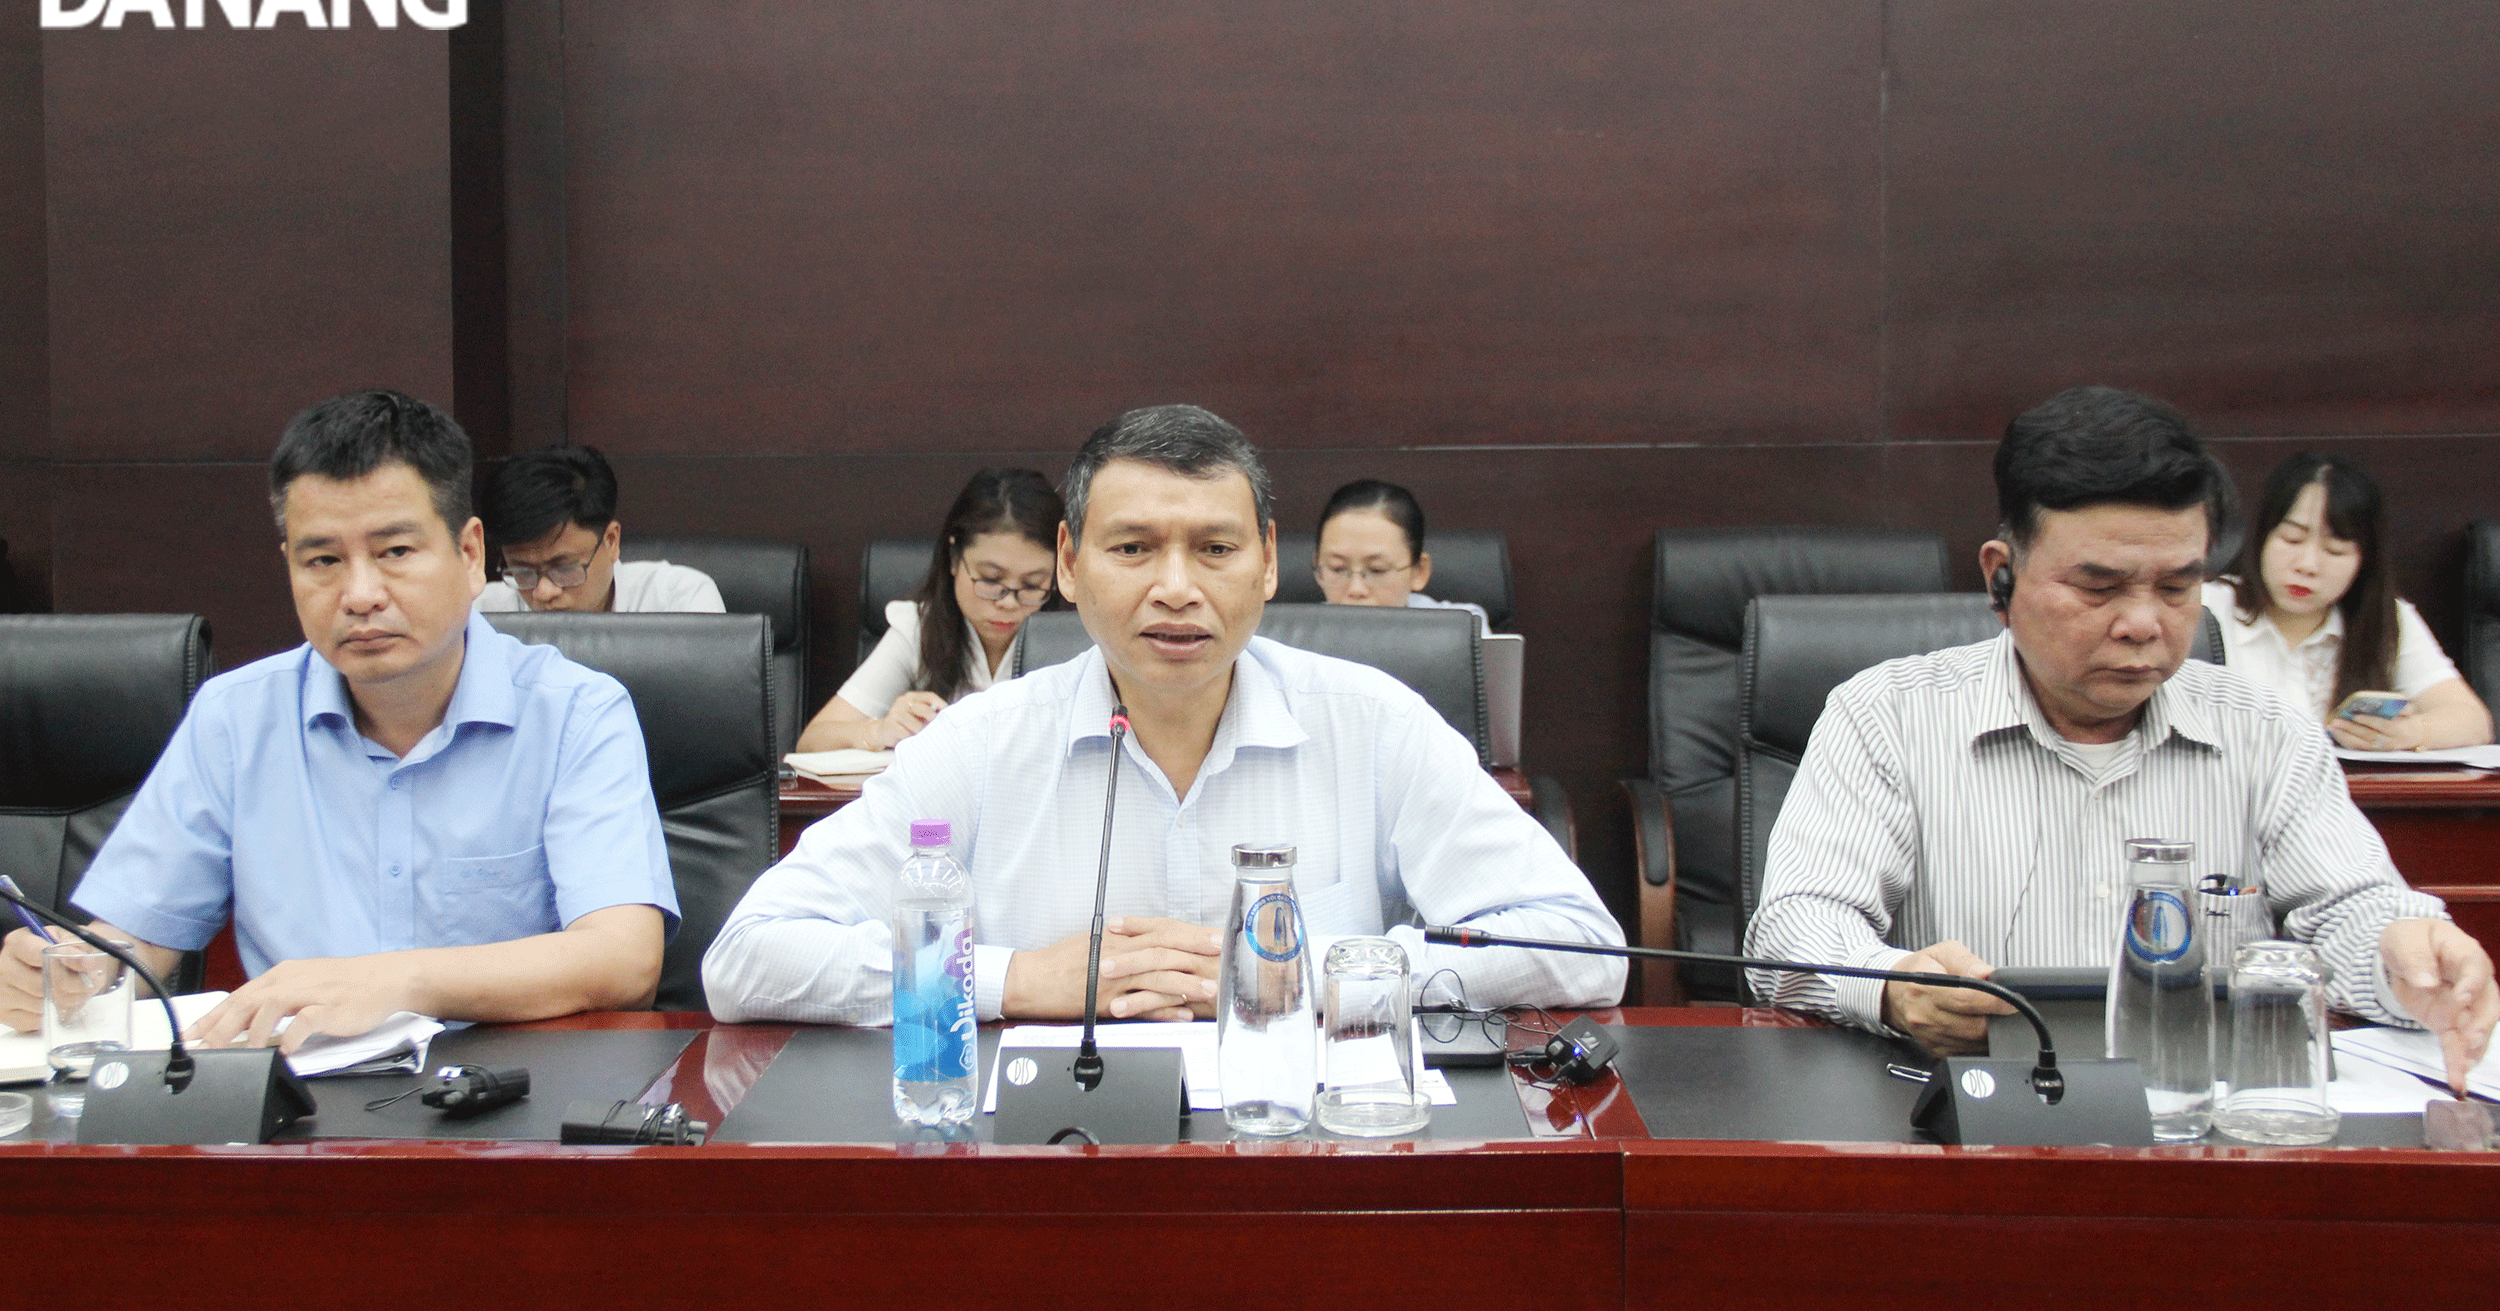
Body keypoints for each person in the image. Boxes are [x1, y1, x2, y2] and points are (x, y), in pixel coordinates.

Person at [705, 405, 1620, 1024]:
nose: (1175, 589)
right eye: (1133, 547)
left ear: (1266, 562)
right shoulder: (981, 743)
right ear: (1069, 563)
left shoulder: (1373, 724)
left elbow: (1585, 949)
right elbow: (746, 957)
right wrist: (1011, 978)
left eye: (1214, 548)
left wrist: (1330, 974)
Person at [1745, 387, 2496, 1094]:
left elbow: (2354, 909)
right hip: (1973, 1126)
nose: (2144, 622)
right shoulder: (1888, 715)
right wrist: (1894, 983)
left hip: (2212, 1133)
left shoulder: (2265, 731)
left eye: (2176, 587)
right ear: (2002, 578)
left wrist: (2408, 955)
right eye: (2100, 587)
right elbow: (1796, 926)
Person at [0, 391, 679, 1050]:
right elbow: (136, 938)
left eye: (395, 552)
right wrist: (75, 972)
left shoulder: (576, 712)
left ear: (470, 555)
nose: (359, 594)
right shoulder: (236, 718)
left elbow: (623, 959)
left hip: (507, 1108)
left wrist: (397, 981)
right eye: (323, 560)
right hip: (297, 1113)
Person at [2204, 451, 2493, 752]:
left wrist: (2412, 733)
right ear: (2260, 537)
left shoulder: (2386, 619)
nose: (2307, 565)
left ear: (2363, 561)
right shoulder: (2206, 608)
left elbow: (2473, 721)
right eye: (2291, 539)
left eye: (2335, 550)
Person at [794, 468, 1065, 753]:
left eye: (1033, 585)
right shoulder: (919, 629)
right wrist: (878, 730)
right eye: (990, 579)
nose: (1008, 602)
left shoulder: (1078, 640)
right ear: (954, 559)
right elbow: (813, 742)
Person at [475, 444, 725, 615]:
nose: (543, 592)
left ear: (611, 541)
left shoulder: (679, 603)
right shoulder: (477, 615)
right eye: (522, 571)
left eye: (563, 568)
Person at [1311, 479, 1491, 635]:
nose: (1356, 590)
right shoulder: (1299, 637)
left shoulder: (1462, 629)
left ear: (1419, 571)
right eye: (1337, 568)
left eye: (1377, 570)